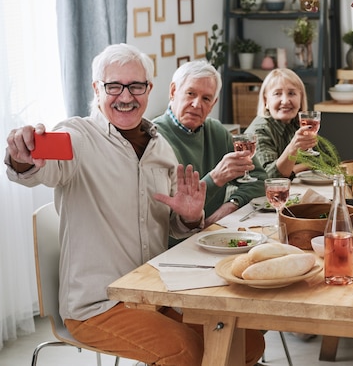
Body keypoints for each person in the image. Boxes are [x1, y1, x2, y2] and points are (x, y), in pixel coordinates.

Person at [5, 43, 264, 365]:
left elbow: (171, 225)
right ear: (96, 88)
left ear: (149, 89)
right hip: (100, 304)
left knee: (247, 342)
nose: (125, 96)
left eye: (135, 86)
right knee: (185, 352)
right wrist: (21, 158)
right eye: (113, 86)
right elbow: (35, 170)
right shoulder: (76, 137)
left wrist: (189, 217)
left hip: (157, 292)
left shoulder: (160, 147)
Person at [153, 60, 266, 230]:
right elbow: (167, 213)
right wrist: (215, 179)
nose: (197, 104)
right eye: (190, 93)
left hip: (213, 234)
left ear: (213, 104)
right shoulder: (154, 139)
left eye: (206, 98)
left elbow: (259, 181)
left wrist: (231, 204)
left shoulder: (216, 132)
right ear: (173, 91)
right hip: (173, 245)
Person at [244, 68, 320, 178]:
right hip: (249, 194)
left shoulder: (297, 123)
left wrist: (293, 169)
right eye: (277, 94)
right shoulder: (259, 131)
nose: (285, 101)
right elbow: (268, 177)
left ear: (301, 98)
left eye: (291, 93)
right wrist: (293, 148)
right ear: (266, 101)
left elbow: (320, 161)